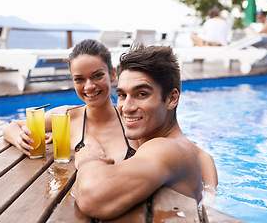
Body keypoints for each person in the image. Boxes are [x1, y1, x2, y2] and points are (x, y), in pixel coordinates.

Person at [74, 43, 216, 220]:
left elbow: (91, 197)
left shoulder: (168, 148)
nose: (127, 107)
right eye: (122, 95)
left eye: (141, 94)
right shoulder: (151, 138)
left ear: (172, 98)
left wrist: (88, 158)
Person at [3, 39, 137, 163]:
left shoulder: (131, 120)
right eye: (79, 79)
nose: (89, 86)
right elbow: (11, 126)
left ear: (113, 74)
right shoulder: (65, 117)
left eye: (97, 76)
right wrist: (19, 139)